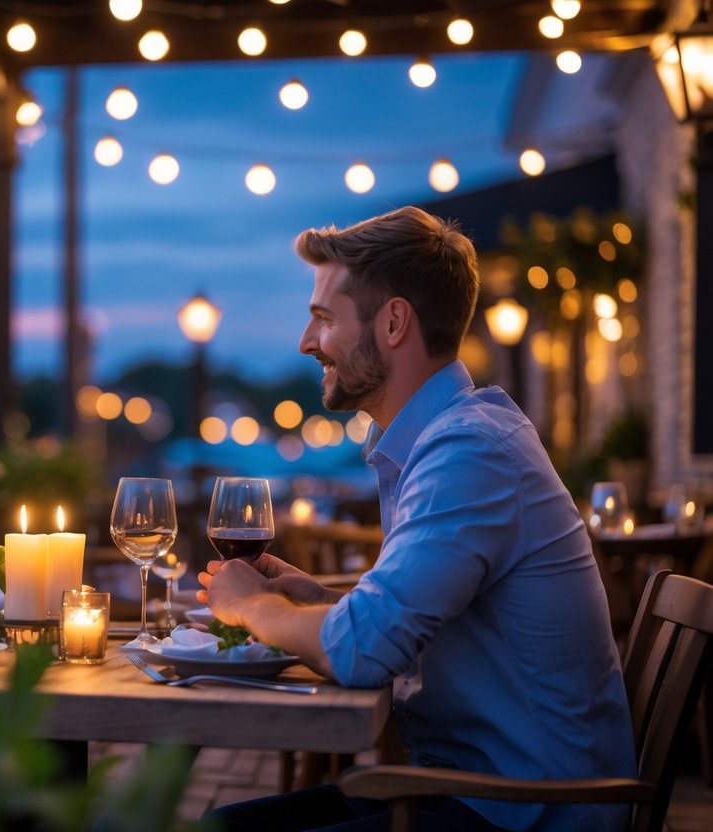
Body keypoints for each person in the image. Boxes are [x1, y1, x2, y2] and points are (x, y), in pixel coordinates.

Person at [200, 207, 634, 832]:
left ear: (394, 322)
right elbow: (397, 631)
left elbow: (363, 654)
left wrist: (252, 608)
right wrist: (317, 599)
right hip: (471, 792)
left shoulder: (469, 450)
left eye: (324, 318)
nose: (306, 341)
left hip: (521, 815)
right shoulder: (448, 438)